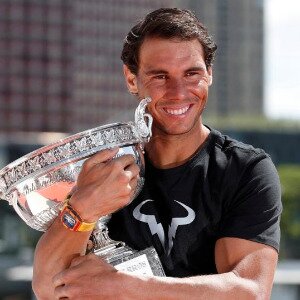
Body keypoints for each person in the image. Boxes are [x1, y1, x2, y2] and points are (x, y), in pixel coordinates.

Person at [32, 8, 282, 299]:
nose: (178, 92)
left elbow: (250, 292)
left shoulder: (245, 170)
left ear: (210, 74)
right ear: (131, 79)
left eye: (192, 74)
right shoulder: (103, 169)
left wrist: (124, 286)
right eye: (160, 76)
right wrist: (82, 209)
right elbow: (48, 288)